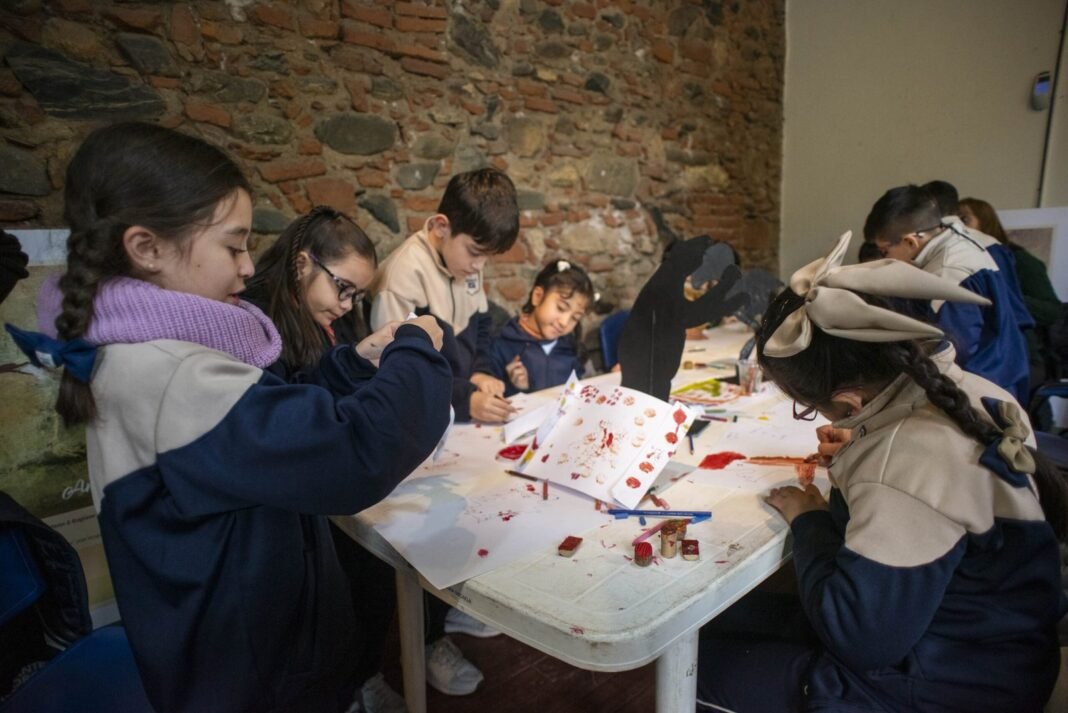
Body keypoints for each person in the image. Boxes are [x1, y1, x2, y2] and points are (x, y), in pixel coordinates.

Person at [5, 122, 452, 713]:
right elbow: (355, 451)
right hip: (250, 676)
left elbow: (263, 420)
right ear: (147, 248)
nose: (246, 268)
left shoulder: (143, 355)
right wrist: (415, 348)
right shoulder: (170, 374)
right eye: (232, 246)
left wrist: (349, 364)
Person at [696, 231, 1067, 713]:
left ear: (850, 401)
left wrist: (809, 519)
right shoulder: (976, 392)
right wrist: (862, 448)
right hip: (1003, 651)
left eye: (811, 409)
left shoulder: (902, 464)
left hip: (946, 686)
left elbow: (859, 639)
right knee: (727, 619)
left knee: (690, 669)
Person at [243, 206, 408, 713]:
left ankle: (362, 673)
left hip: (324, 477)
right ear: (302, 264)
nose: (347, 304)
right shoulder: (258, 324)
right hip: (290, 499)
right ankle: (348, 682)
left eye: (357, 295)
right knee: (348, 584)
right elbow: (292, 413)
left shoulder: (328, 317)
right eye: (342, 288)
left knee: (376, 565)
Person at [369, 167, 520, 425]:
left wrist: (480, 372)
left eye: (488, 256)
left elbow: (481, 325)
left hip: (459, 411)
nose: (479, 266)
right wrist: (464, 400)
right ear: (441, 226)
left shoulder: (464, 261)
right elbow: (400, 372)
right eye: (475, 252)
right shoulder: (400, 279)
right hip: (422, 419)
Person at [863, 185, 1032, 403]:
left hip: (982, 385)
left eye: (885, 251)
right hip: (1005, 366)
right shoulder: (954, 234)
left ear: (911, 241)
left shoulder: (948, 275)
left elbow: (953, 349)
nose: (885, 258)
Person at [961, 196, 1065, 381]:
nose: (957, 226)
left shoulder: (1019, 260)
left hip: (1020, 358)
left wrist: (1004, 296)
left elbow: (1051, 311)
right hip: (983, 356)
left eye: (964, 219)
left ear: (985, 222)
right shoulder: (961, 261)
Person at [480, 259, 593, 395]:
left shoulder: (572, 349)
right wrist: (516, 388)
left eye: (575, 318)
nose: (564, 322)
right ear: (538, 296)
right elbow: (490, 400)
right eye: (561, 308)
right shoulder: (501, 344)